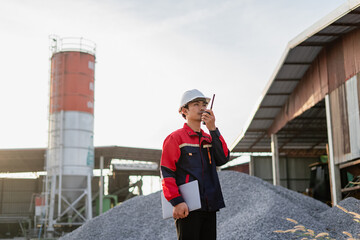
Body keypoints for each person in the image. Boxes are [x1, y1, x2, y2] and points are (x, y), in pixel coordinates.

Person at [160, 89, 230, 240]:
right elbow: (166, 172)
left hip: (209, 205)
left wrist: (213, 129)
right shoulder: (175, 138)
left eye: (204, 104)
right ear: (184, 111)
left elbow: (223, 158)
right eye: (196, 104)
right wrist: (177, 201)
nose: (202, 108)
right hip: (187, 207)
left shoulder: (209, 137)